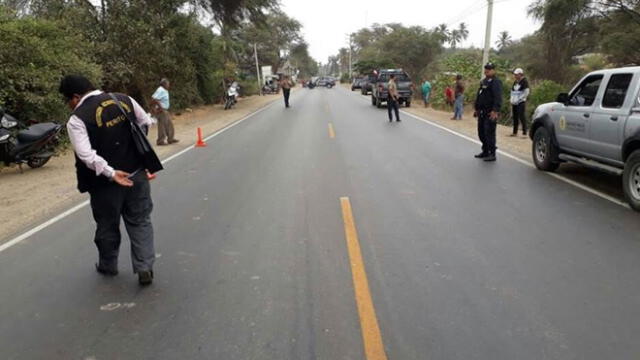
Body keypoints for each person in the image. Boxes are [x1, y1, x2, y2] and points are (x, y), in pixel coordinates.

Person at [60, 75, 160, 286]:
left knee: (106, 224)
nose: (69, 105)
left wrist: (111, 172)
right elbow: (144, 122)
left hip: (104, 184)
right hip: (136, 174)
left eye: (67, 100)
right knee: (140, 220)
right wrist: (131, 149)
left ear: (76, 97)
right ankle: (144, 267)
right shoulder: (124, 99)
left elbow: (86, 155)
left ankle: (108, 265)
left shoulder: (77, 119)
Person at [473, 63, 503, 162]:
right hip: (482, 111)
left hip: (490, 112)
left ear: (493, 70)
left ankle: (492, 153)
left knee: (489, 132)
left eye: (489, 69)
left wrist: (495, 111)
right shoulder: (484, 82)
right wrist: (476, 108)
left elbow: (498, 98)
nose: (487, 71)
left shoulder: (496, 82)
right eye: (486, 69)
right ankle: (485, 150)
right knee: (481, 132)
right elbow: (480, 95)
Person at [151, 78, 179, 146]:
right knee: (162, 126)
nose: (169, 85)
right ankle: (160, 141)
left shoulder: (164, 90)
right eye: (168, 84)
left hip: (165, 110)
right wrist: (160, 108)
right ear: (164, 84)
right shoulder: (161, 90)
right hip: (161, 111)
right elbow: (154, 99)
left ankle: (170, 139)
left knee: (169, 124)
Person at [510, 68, 530, 137]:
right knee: (515, 117)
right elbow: (512, 91)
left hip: (521, 102)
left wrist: (520, 99)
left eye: (516, 74)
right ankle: (515, 132)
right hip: (514, 102)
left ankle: (524, 132)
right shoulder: (515, 82)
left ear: (520, 74)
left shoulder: (524, 81)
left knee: (521, 116)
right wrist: (512, 100)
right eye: (514, 74)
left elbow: (526, 92)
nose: (515, 76)